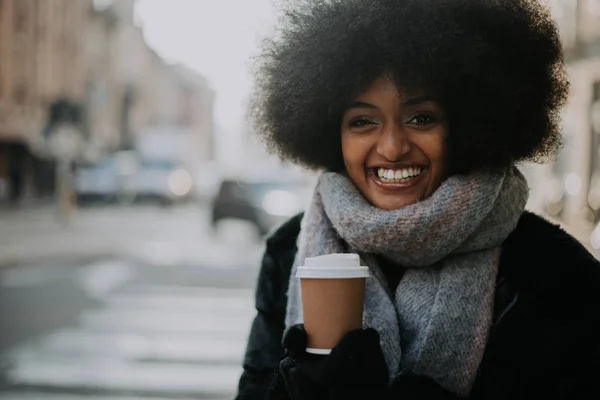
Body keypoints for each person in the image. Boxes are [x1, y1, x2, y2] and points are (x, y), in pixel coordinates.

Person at [235, 0, 600, 399]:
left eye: (421, 118)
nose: (391, 148)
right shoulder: (288, 251)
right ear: (330, 133)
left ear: (468, 127)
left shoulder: (556, 272)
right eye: (362, 121)